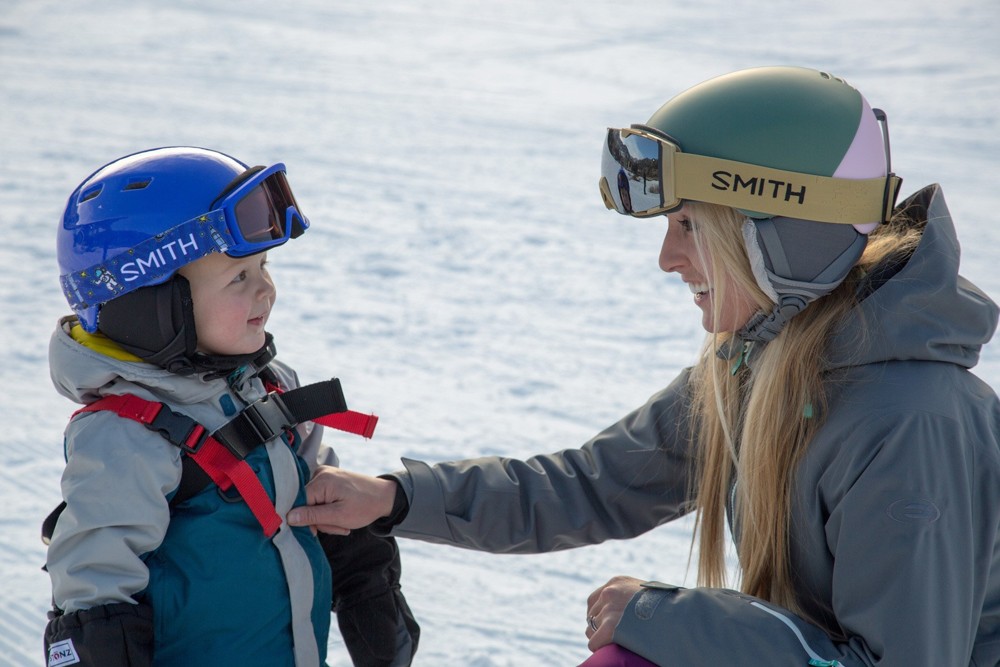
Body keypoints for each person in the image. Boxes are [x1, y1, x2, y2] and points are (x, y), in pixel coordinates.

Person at [287, 65, 1000, 666]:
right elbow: (593, 484)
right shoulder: (760, 364)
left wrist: (667, 619)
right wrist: (395, 498)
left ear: (787, 236)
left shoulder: (911, 423)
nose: (668, 259)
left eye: (691, 225)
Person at [43, 147, 419, 667]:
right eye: (237, 277)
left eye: (262, 266)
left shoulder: (265, 389)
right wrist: (98, 644)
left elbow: (315, 492)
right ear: (152, 304)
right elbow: (94, 577)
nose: (266, 288)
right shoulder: (125, 434)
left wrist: (360, 561)